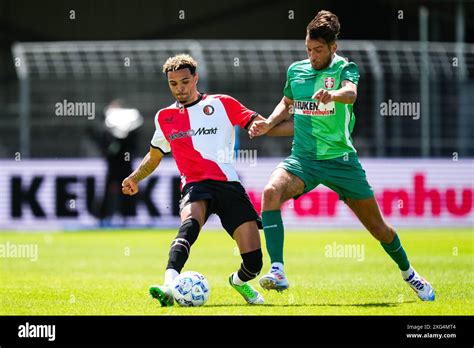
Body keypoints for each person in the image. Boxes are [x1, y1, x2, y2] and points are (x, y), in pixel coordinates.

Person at [249, 10, 435, 301]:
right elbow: (286, 103)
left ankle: (409, 273)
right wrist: (268, 124)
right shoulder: (296, 71)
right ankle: (277, 270)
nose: (312, 56)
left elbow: (350, 94)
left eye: (318, 50)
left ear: (333, 48)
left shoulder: (345, 69)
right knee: (271, 192)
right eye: (309, 49)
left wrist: (331, 95)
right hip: (304, 159)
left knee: (379, 228)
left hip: (342, 162)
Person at [122, 54, 292, 306]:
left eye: (184, 81)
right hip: (195, 184)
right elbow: (155, 155)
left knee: (254, 263)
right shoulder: (164, 117)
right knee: (190, 223)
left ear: (195, 78)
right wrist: (135, 177)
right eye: (173, 84)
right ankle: (169, 285)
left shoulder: (223, 103)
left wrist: (283, 125)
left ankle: (237, 281)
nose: (179, 88)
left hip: (229, 184)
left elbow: (259, 124)